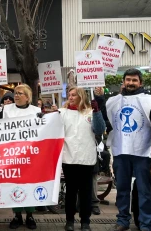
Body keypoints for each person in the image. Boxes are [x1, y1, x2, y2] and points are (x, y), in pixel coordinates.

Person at [105, 69, 151, 231]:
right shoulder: (112, 101)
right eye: (128, 80)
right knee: (122, 189)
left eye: (134, 80)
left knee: (144, 190)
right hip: (120, 151)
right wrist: (100, 99)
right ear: (123, 82)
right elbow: (108, 124)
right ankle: (122, 220)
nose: (130, 83)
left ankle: (146, 223)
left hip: (142, 152)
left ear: (140, 82)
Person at [60, 86, 105, 231]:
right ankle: (70, 220)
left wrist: (97, 112)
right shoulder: (62, 112)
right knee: (71, 192)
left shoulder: (90, 112)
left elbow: (99, 130)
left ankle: (85, 221)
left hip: (86, 158)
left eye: (74, 95)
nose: (70, 97)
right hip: (69, 158)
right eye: (69, 95)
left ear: (81, 97)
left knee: (86, 193)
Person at [2, 84, 42, 230]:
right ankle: (17, 215)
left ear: (27, 97)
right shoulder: (7, 109)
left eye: (19, 93)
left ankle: (30, 215)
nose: (16, 96)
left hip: (30, 154)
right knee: (15, 184)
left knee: (29, 183)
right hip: (13, 154)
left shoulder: (36, 110)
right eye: (15, 93)